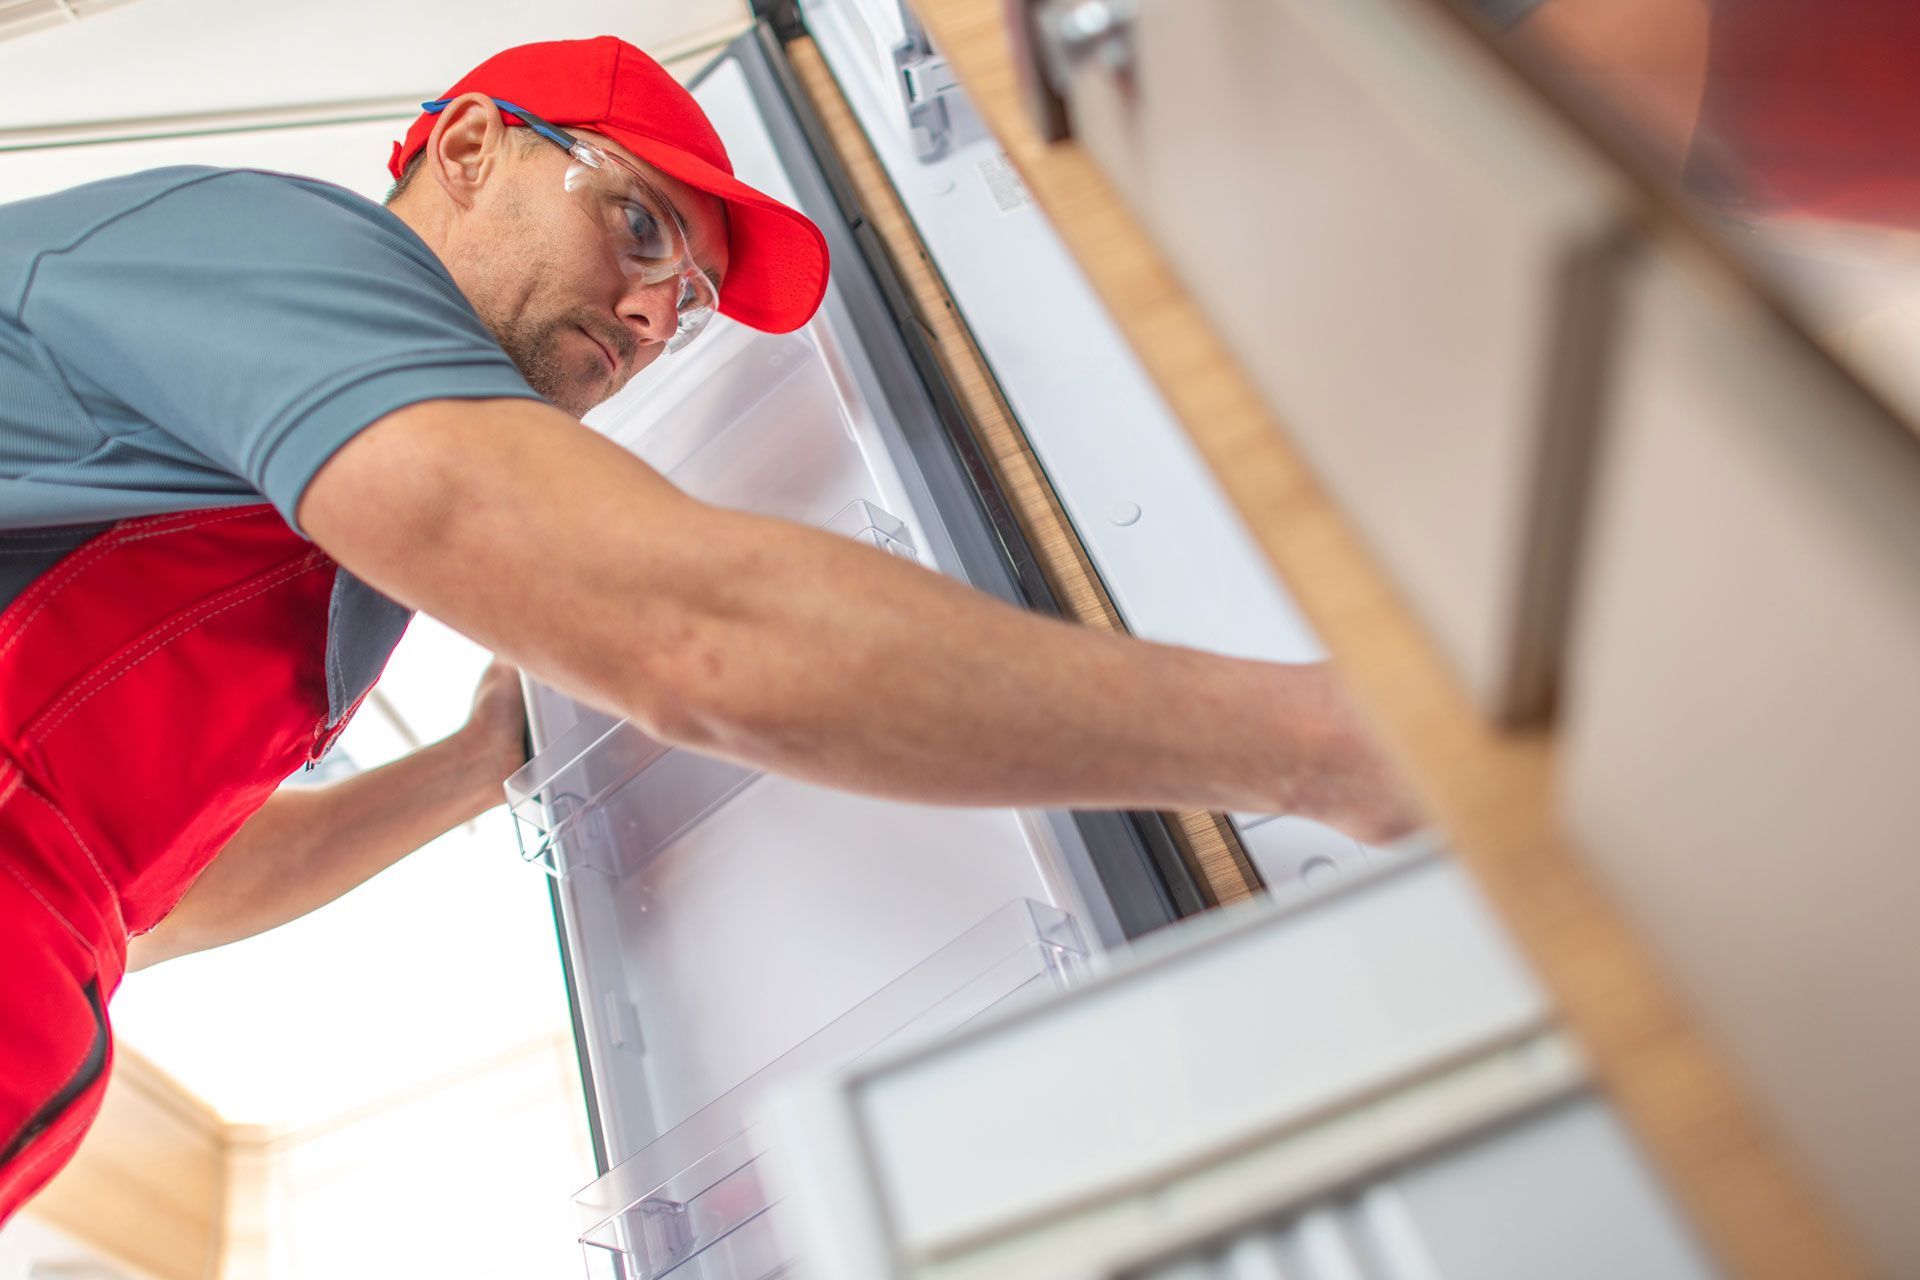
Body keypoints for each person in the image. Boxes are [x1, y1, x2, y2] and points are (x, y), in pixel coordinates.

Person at [0, 36, 1416, 1222]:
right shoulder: (279, 250)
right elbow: (694, 627)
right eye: (635, 229)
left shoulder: (314, 540)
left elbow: (155, 894)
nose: (649, 312)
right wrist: (1323, 745)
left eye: (684, 302)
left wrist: (471, 764)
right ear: (473, 145)